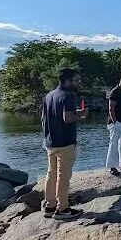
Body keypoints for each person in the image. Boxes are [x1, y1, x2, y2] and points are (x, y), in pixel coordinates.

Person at [41, 68, 88, 220]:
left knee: (51, 174)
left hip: (50, 141)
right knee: (63, 176)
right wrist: (81, 114)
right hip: (65, 142)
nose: (78, 82)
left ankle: (50, 206)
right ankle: (62, 209)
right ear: (68, 80)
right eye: (76, 80)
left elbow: (43, 118)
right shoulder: (68, 96)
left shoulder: (49, 96)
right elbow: (67, 118)